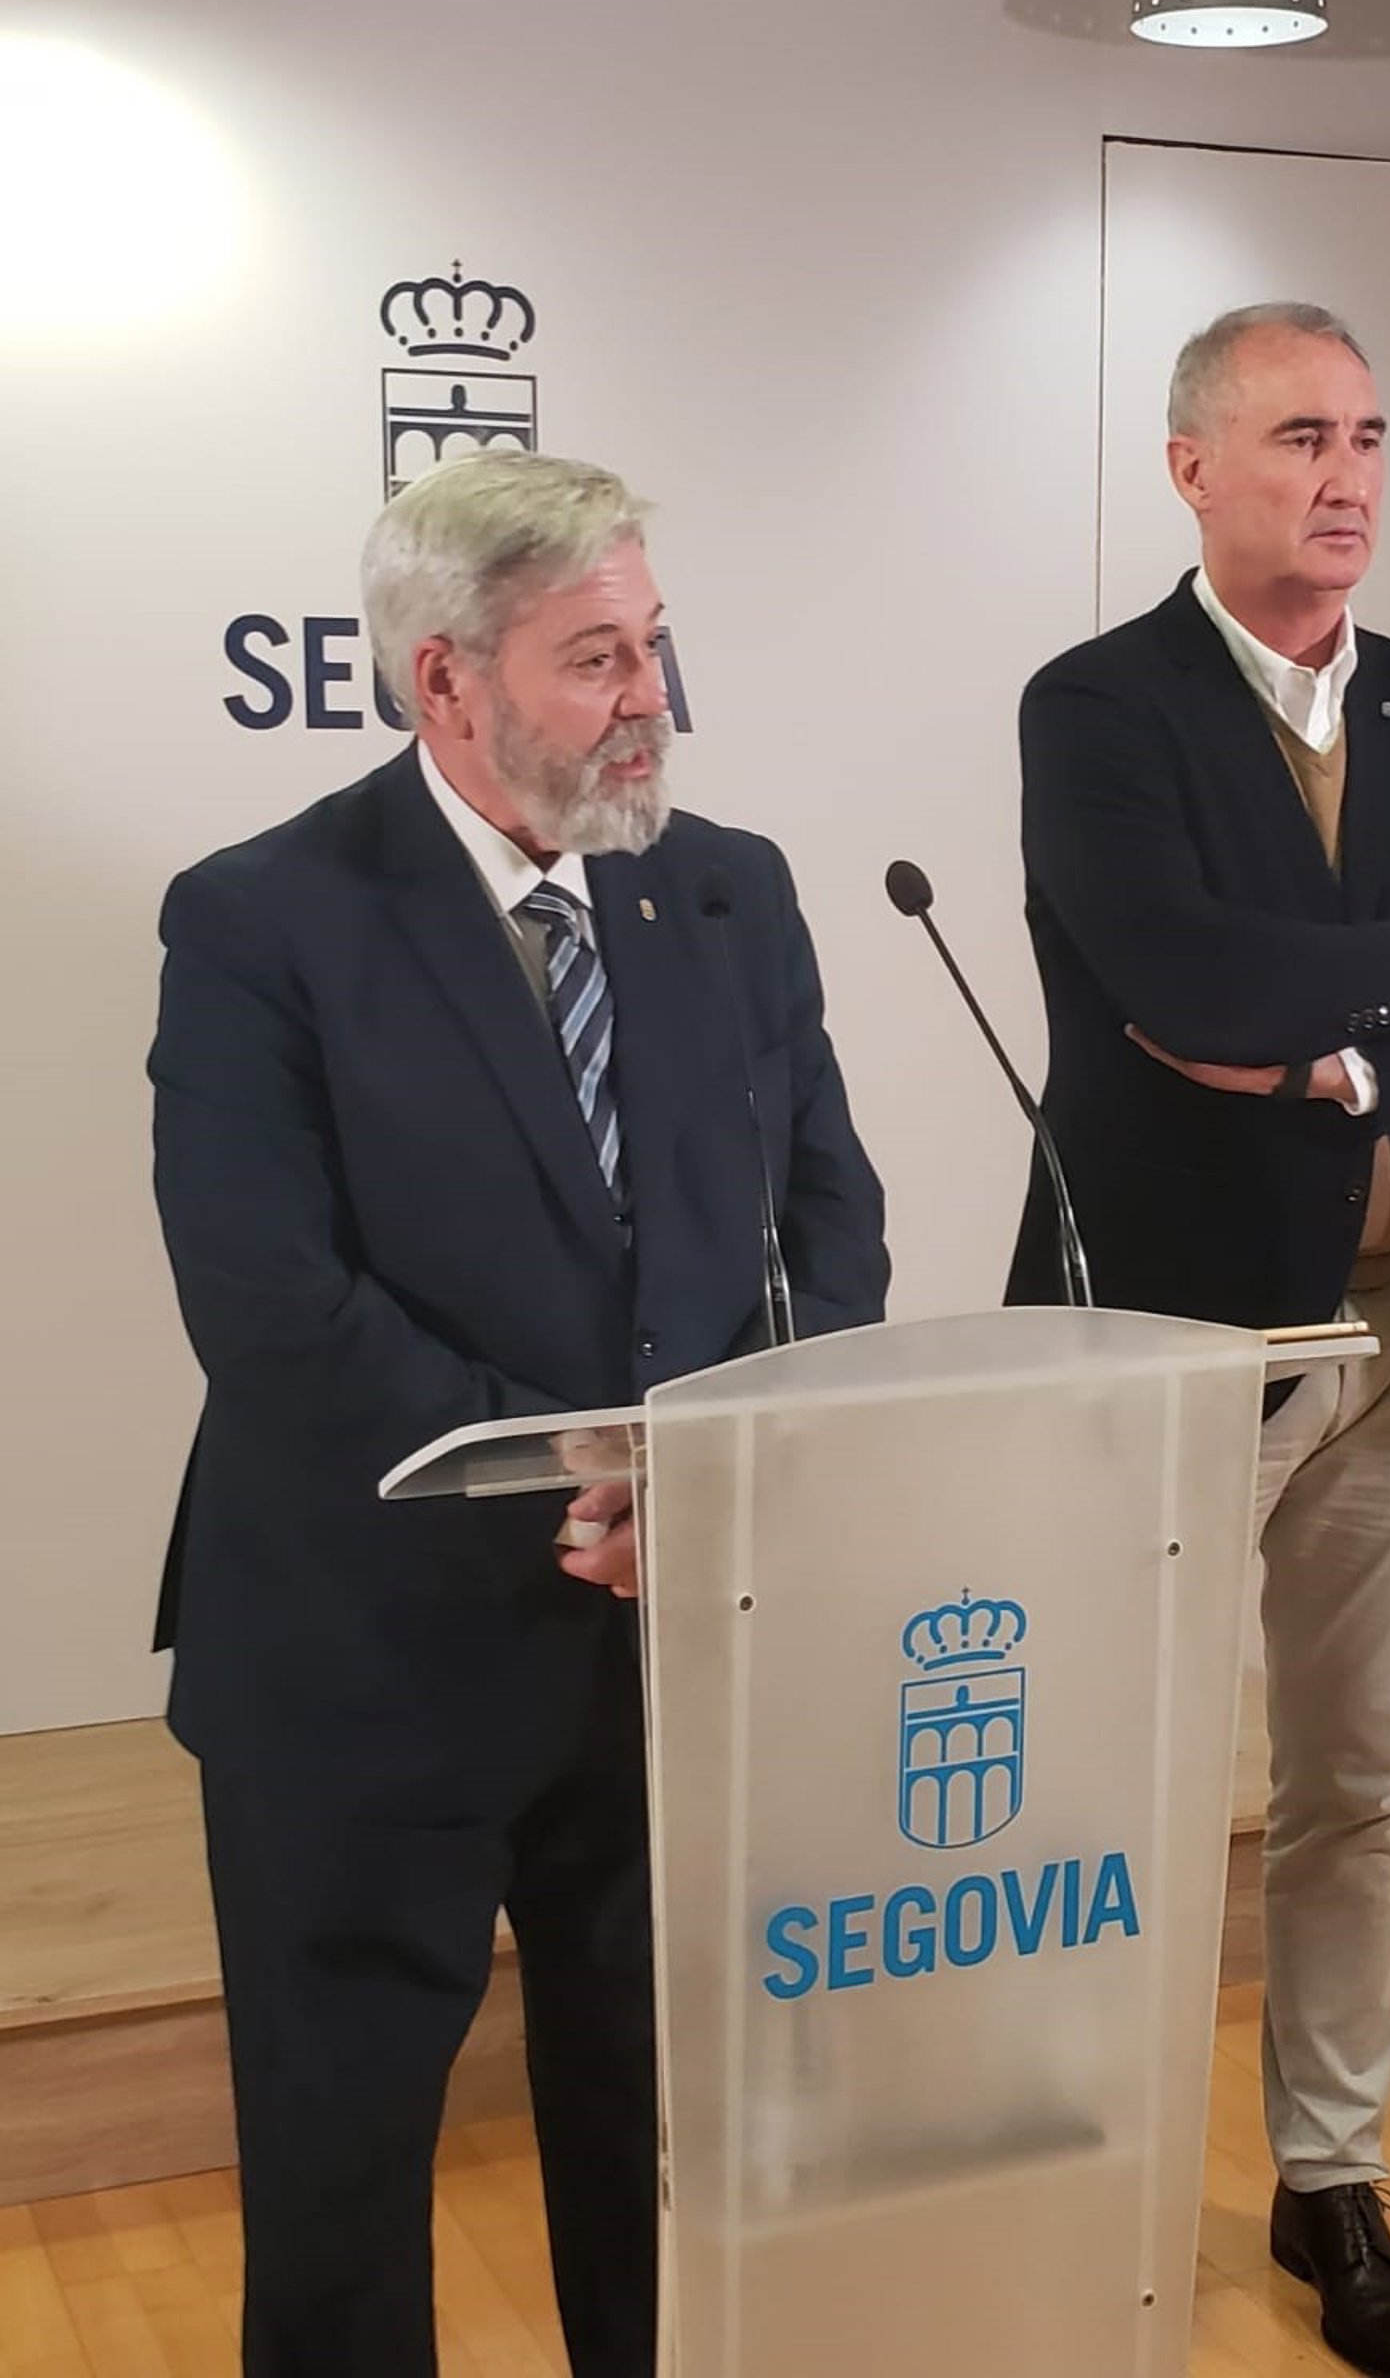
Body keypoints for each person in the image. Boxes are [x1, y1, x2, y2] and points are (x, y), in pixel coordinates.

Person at [149, 449, 888, 2378]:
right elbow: (269, 1300)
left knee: (655, 2147)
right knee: (341, 2180)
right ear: (445, 682)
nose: (650, 696)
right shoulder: (263, 918)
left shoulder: (727, 889)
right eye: (595, 659)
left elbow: (828, 1219)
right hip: (365, 1649)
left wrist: (722, 1469)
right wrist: (577, 1475)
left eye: (653, 644)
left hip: (667, 1640)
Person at [1009, 304, 1390, 2378]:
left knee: (1354, 1783)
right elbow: (1176, 974)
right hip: (1173, 1335)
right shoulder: (1100, 705)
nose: (1344, 477)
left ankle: (1329, 2177)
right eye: (1295, 437)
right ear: (1192, 466)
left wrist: (1338, 1059)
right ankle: (1081, 2164)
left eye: (1365, 435)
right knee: (1122, 1786)